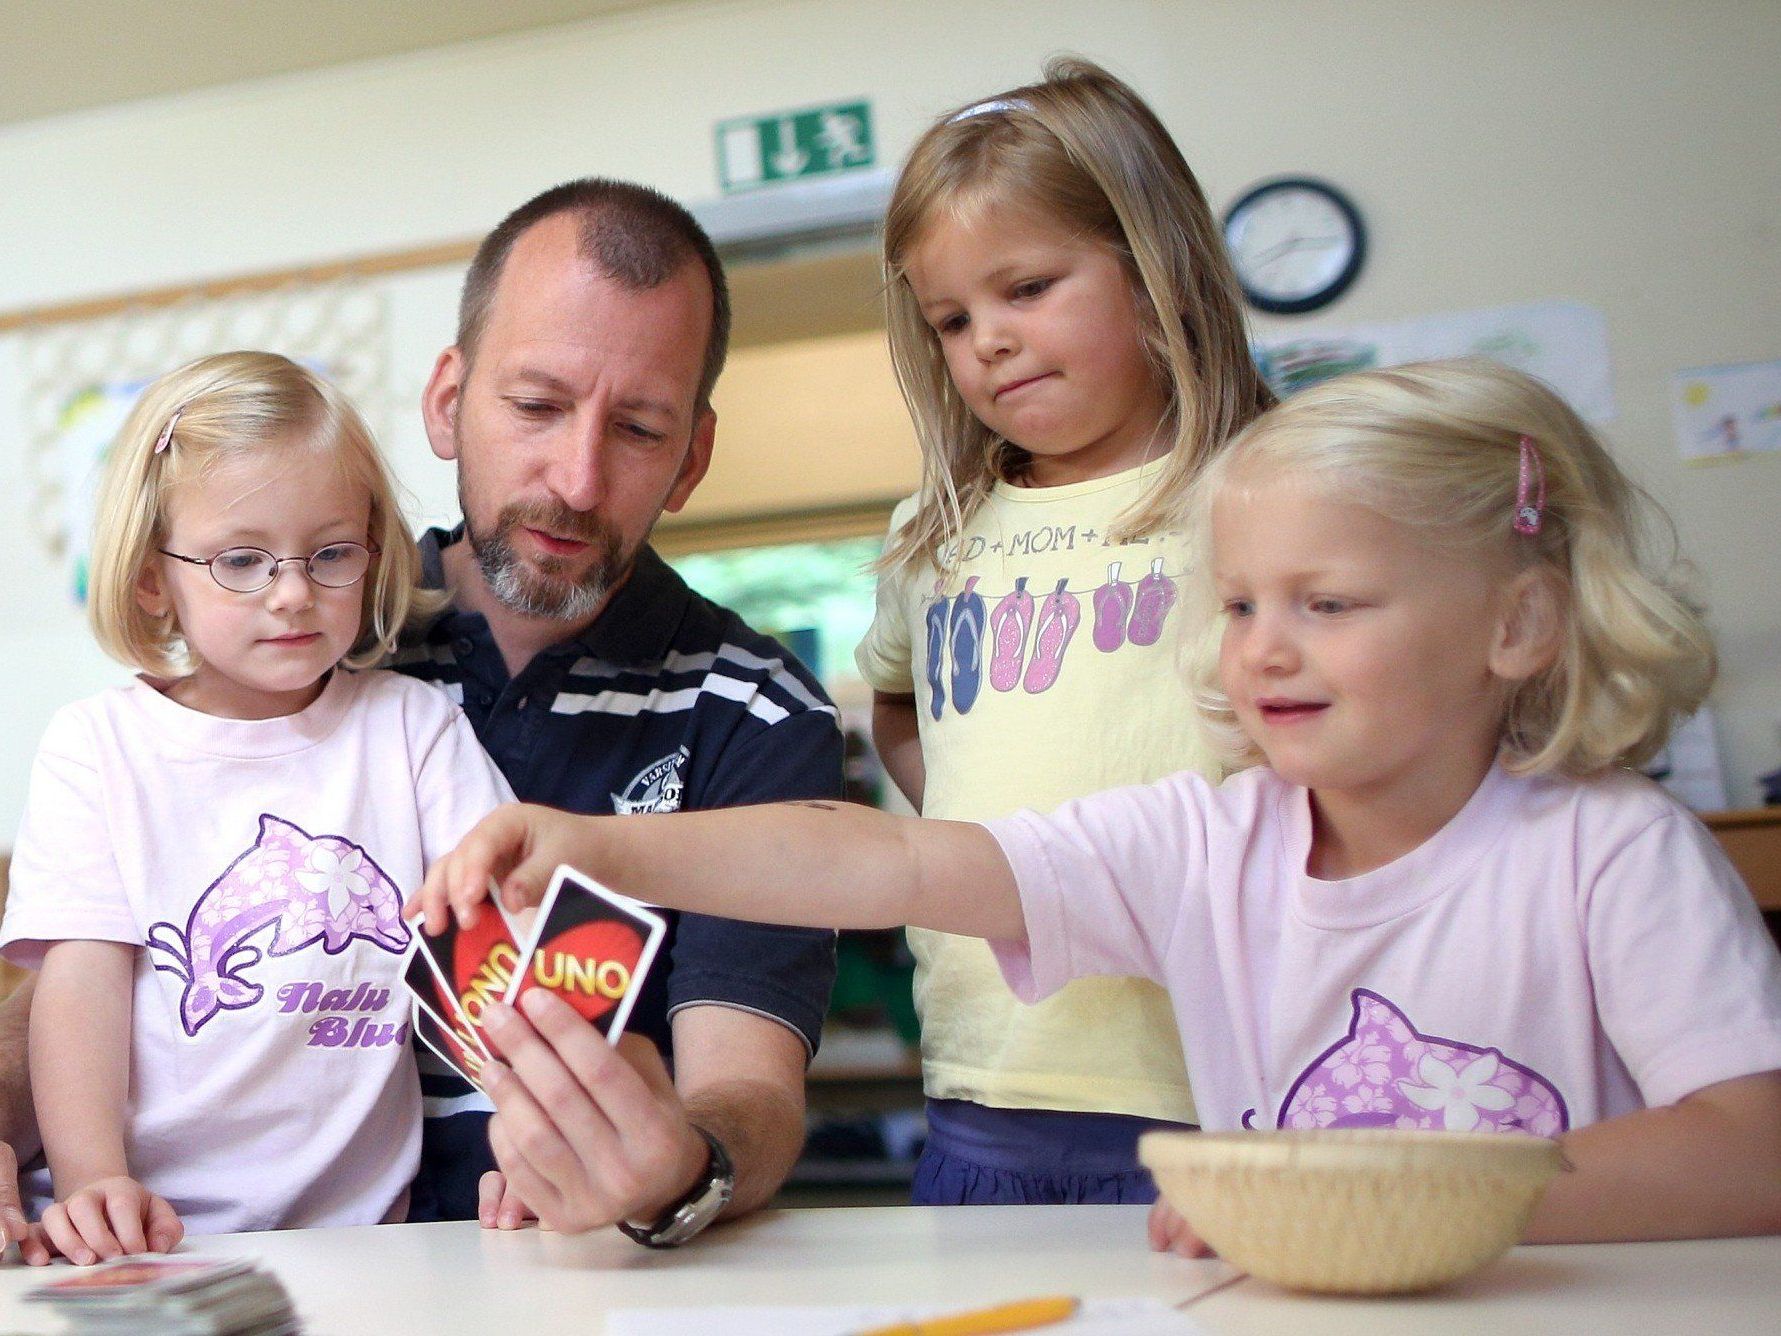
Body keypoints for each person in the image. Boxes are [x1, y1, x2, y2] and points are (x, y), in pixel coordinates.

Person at [417, 359, 1781, 1248]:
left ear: (1519, 625)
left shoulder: (1615, 854)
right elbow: (883, 868)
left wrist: (1405, 1205)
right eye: (1238, 603)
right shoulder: (1205, 842)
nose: (1262, 646)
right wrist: (598, 846)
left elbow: (1751, 1151)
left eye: (1329, 605)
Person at [853, 58, 1273, 1202]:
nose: (986, 338)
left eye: (1027, 287)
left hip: (1224, 1079)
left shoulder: (1269, 492)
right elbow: (896, 698)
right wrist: (960, 820)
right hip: (990, 1083)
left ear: (1152, 267)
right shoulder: (933, 531)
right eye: (951, 317)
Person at [395, 178, 841, 1240]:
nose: (578, 479)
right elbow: (109, 964)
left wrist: (686, 1164)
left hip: (597, 1284)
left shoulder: (758, 711)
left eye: (638, 428)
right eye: (536, 405)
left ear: (692, 457)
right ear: (447, 401)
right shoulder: (309, 651)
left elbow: (753, 1089)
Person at [0, 352, 515, 1263]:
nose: (291, 592)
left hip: (358, 1248)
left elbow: (502, 953)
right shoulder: (96, 745)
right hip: (136, 1236)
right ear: (154, 578)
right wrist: (91, 1183)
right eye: (240, 559)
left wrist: (536, 1134)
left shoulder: (413, 728)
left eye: (329, 553)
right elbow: (80, 987)